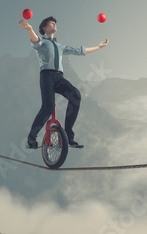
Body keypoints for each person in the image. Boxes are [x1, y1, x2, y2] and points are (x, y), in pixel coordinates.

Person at [19, 16, 109, 149]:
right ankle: (31, 139)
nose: (54, 24)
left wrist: (98, 47)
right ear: (44, 27)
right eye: (51, 23)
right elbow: (35, 40)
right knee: (48, 107)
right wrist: (29, 29)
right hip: (47, 76)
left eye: (55, 23)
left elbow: (79, 50)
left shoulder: (60, 46)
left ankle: (68, 137)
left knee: (76, 96)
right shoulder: (42, 42)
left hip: (59, 78)